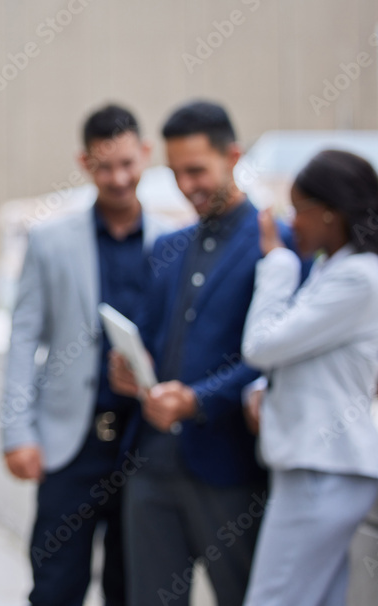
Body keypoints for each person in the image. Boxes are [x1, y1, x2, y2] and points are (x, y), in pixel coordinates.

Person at [110, 100, 292, 606]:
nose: (187, 186)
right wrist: (127, 366)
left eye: (197, 171)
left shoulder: (275, 242)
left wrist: (197, 400)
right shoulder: (169, 247)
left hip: (229, 466)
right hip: (149, 463)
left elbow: (273, 355)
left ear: (232, 157)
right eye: (176, 173)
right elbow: (147, 333)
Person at [0, 105, 168, 606]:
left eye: (127, 164)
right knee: (55, 586)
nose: (118, 178)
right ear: (85, 162)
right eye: (104, 166)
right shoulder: (51, 241)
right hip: (68, 444)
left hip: (144, 441)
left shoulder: (172, 243)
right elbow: (24, 337)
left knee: (132, 586)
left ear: (145, 155)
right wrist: (16, 431)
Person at [240, 149, 378, 606]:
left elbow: (260, 345)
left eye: (300, 211)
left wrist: (275, 261)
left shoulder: (356, 277)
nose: (294, 223)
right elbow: (306, 354)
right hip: (319, 469)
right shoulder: (335, 268)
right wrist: (263, 390)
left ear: (330, 215)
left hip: (324, 470)